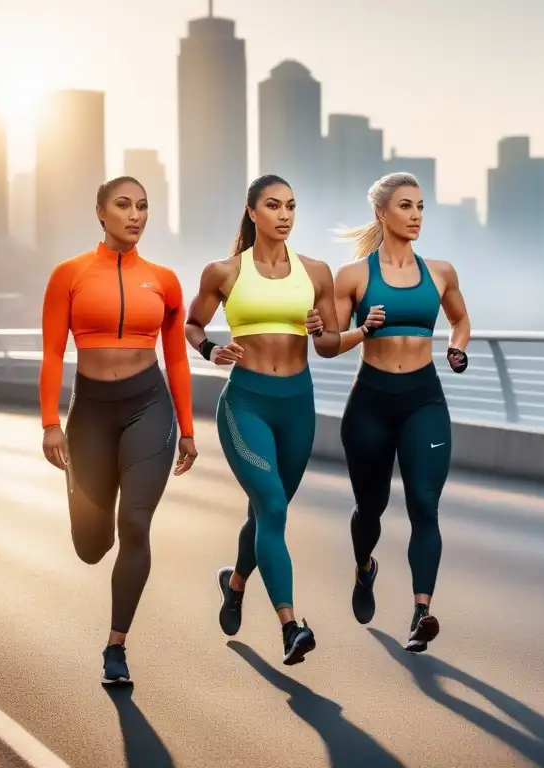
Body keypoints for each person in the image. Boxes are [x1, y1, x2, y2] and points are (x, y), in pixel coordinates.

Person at [39, 176, 197, 686]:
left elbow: (175, 356)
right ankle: (92, 528)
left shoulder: (165, 280)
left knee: (135, 523)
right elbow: (52, 353)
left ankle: (116, 647)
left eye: (143, 207)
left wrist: (189, 429)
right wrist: (49, 424)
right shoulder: (69, 274)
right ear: (101, 213)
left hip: (148, 407)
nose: (135, 215)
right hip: (89, 414)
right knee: (91, 544)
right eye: (124, 205)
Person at [184, 174, 340, 666]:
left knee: (264, 513)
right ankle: (291, 626)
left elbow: (330, 343)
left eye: (291, 206)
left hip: (298, 405)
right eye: (273, 206)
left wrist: (321, 329)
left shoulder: (316, 272)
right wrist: (211, 348)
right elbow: (192, 323)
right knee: (273, 506)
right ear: (252, 212)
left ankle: (235, 583)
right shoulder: (225, 272)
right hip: (246, 404)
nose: (284, 214)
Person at [331, 171, 471, 653]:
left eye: (421, 207)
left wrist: (457, 349)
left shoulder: (441, 272)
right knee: (370, 508)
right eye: (406, 206)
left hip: (423, 399)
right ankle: (364, 566)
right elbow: (329, 342)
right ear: (382, 213)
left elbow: (460, 319)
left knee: (424, 506)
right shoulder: (353, 276)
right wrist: (360, 331)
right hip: (369, 401)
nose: (416, 216)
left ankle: (420, 612)